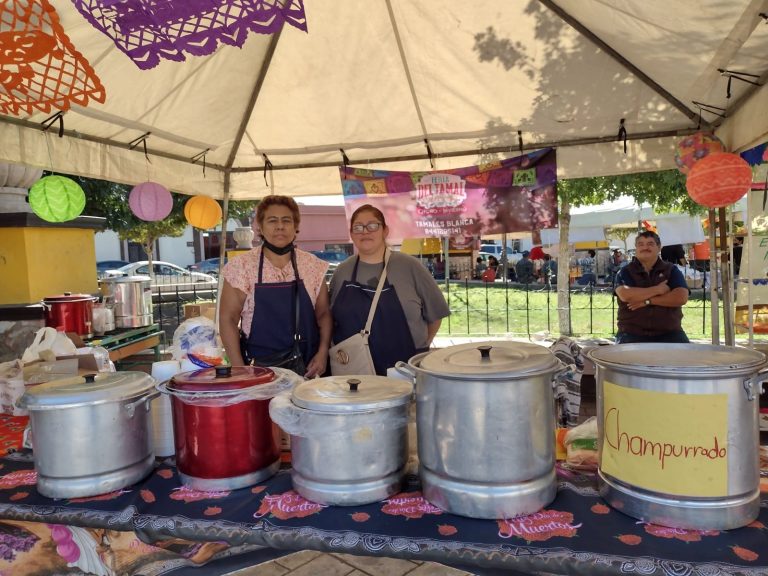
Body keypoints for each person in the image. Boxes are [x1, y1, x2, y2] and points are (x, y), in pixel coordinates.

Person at [329, 204, 450, 375]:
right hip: (354, 373)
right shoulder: (342, 271)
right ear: (351, 234)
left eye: (372, 225)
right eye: (358, 227)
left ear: (385, 231)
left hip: (403, 370)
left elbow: (435, 315)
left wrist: (421, 348)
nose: (365, 231)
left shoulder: (410, 266)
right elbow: (329, 320)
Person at [219, 195, 332, 377]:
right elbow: (228, 319)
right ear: (260, 227)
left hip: (309, 367)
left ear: (296, 227)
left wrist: (323, 353)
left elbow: (324, 314)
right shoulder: (241, 267)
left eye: (286, 220)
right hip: (259, 370)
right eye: (272, 220)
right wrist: (240, 369)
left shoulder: (313, 266)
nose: (280, 226)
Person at [614, 231, 689, 344]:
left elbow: (681, 297)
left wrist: (648, 301)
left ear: (659, 248)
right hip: (631, 333)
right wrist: (658, 289)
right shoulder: (625, 271)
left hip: (670, 333)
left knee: (688, 359)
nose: (645, 247)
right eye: (641, 244)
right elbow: (626, 295)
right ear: (636, 248)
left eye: (650, 244)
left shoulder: (671, 270)